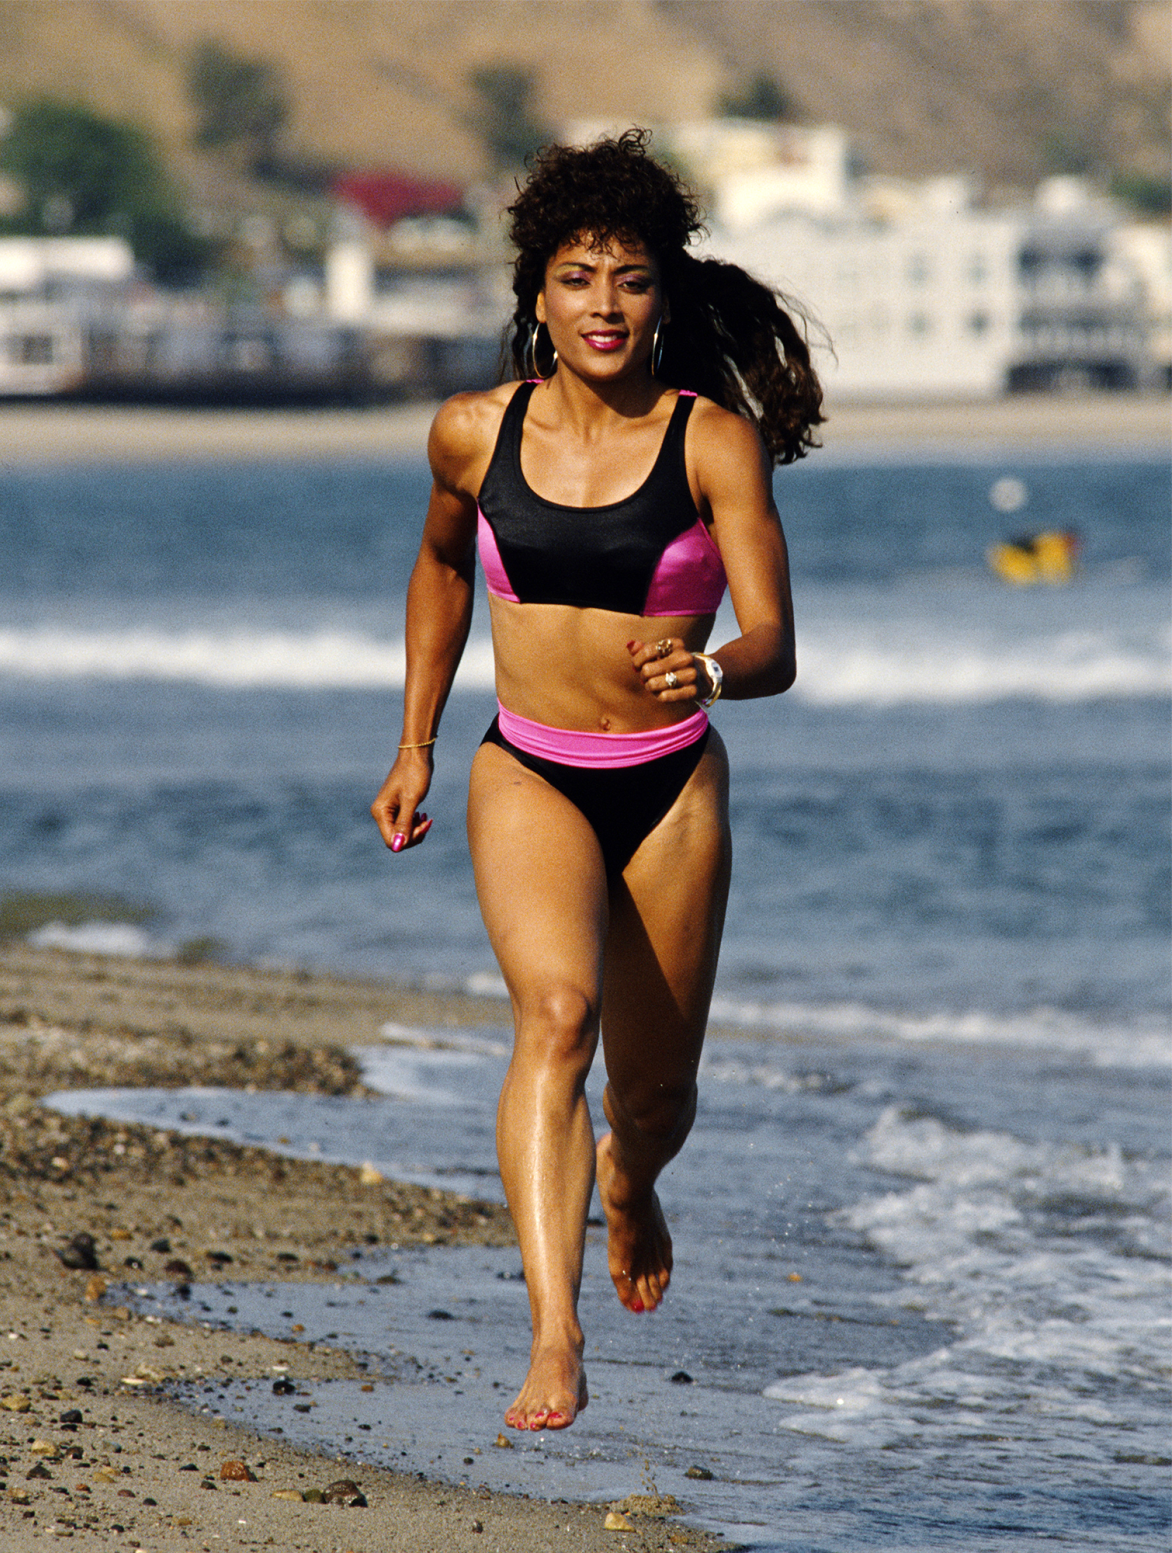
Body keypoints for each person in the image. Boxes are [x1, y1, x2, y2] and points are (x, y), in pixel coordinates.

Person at [371, 128, 822, 1433]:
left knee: (654, 1095)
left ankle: (629, 1183)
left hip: (671, 783)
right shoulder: (469, 434)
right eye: (577, 279)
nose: (604, 306)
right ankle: (554, 1334)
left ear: (661, 296)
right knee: (555, 1020)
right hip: (528, 770)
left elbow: (777, 643)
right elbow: (442, 569)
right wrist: (415, 741)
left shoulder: (709, 445)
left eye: (628, 280)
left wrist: (719, 676)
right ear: (536, 295)